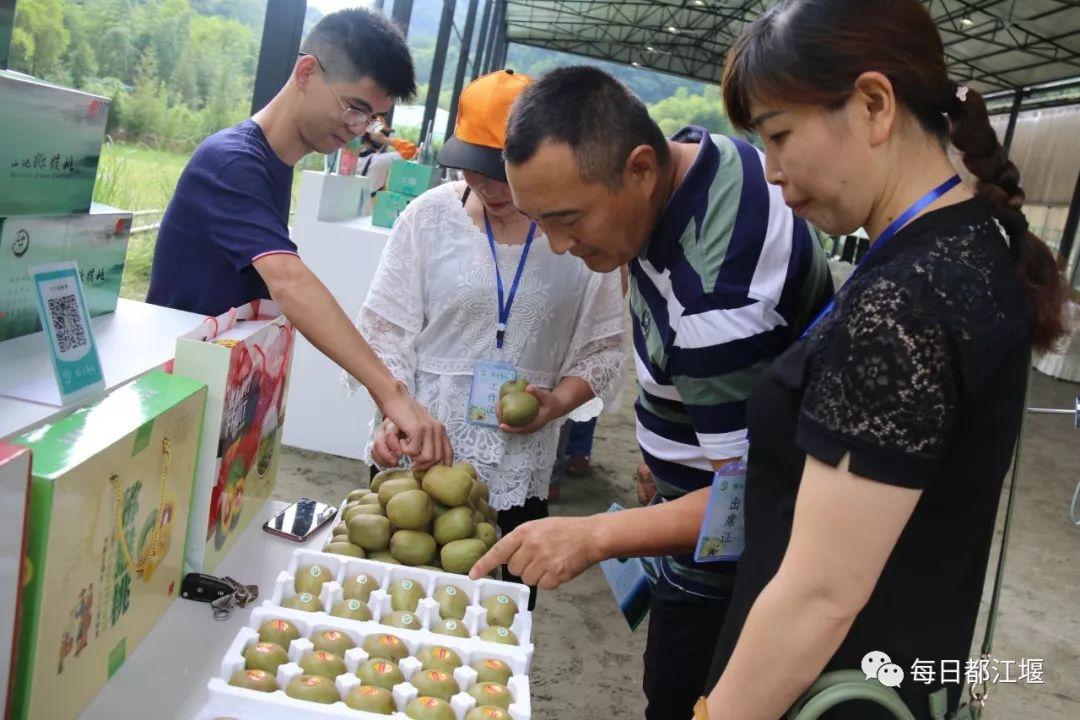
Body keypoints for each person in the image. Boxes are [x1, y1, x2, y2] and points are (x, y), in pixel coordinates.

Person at [477, 2, 1069, 719]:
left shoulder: (902, 303)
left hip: (837, 677)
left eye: (782, 135)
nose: (775, 172)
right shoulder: (968, 245)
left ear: (876, 105)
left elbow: (818, 592)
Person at [472, 66, 833, 720]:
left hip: (725, 577)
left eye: (568, 218)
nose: (559, 244)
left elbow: (753, 503)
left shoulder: (717, 303)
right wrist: (674, 433)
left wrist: (594, 538)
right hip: (709, 467)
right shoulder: (701, 157)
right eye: (539, 220)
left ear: (640, 169)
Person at [344, 69, 626, 607]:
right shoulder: (429, 219)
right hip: (416, 469)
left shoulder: (582, 234)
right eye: (474, 169)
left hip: (518, 468)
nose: (489, 187)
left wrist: (554, 405)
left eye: (502, 172)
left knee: (496, 624)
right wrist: (390, 413)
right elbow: (385, 333)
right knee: (396, 614)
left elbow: (604, 348)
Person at [146, 9, 450, 466]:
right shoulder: (232, 162)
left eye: (372, 119)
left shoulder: (275, 163)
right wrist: (391, 392)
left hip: (219, 388)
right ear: (306, 71)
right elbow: (288, 281)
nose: (357, 128)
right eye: (355, 107)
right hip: (179, 398)